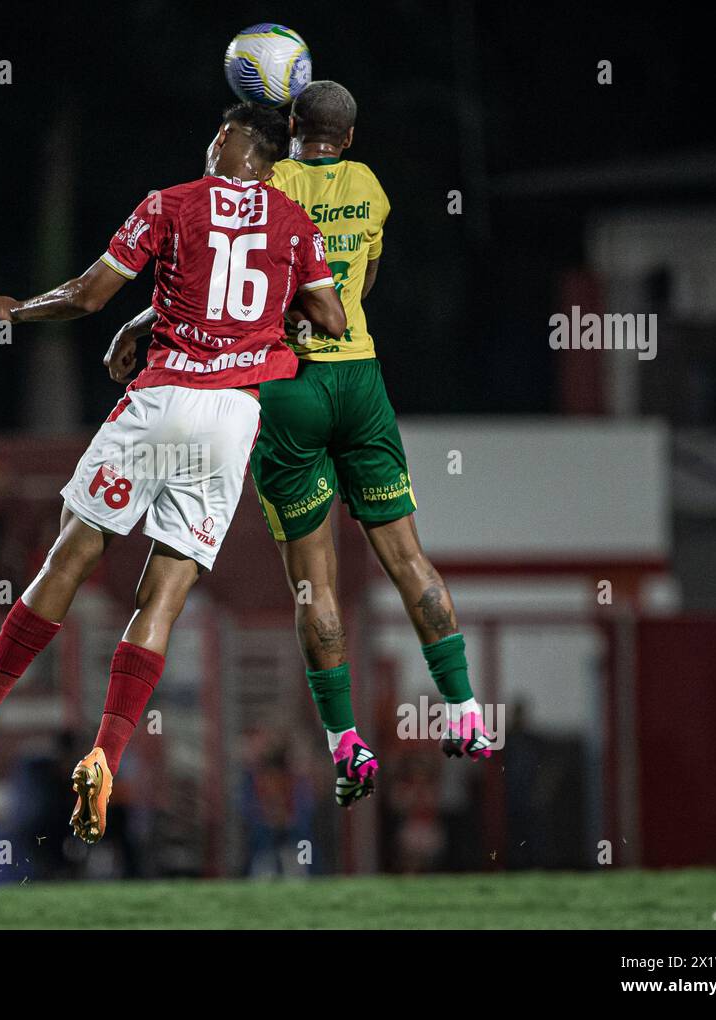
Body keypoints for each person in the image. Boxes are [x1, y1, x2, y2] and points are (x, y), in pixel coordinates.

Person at [0, 103, 345, 844]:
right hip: (230, 421)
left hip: (163, 399)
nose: (209, 140)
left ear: (238, 145)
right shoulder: (293, 223)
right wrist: (279, 322)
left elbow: (88, 294)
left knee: (74, 550)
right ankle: (105, 752)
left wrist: (20, 310)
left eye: (219, 133)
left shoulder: (170, 202)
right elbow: (333, 319)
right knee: (165, 596)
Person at [107, 83, 493, 813]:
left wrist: (139, 325)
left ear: (288, 131)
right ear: (347, 138)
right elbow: (360, 286)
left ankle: (348, 743)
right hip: (359, 379)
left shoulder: (271, 184)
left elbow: (212, 272)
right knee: (409, 557)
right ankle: (466, 710)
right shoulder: (371, 186)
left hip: (285, 386)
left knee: (314, 580)